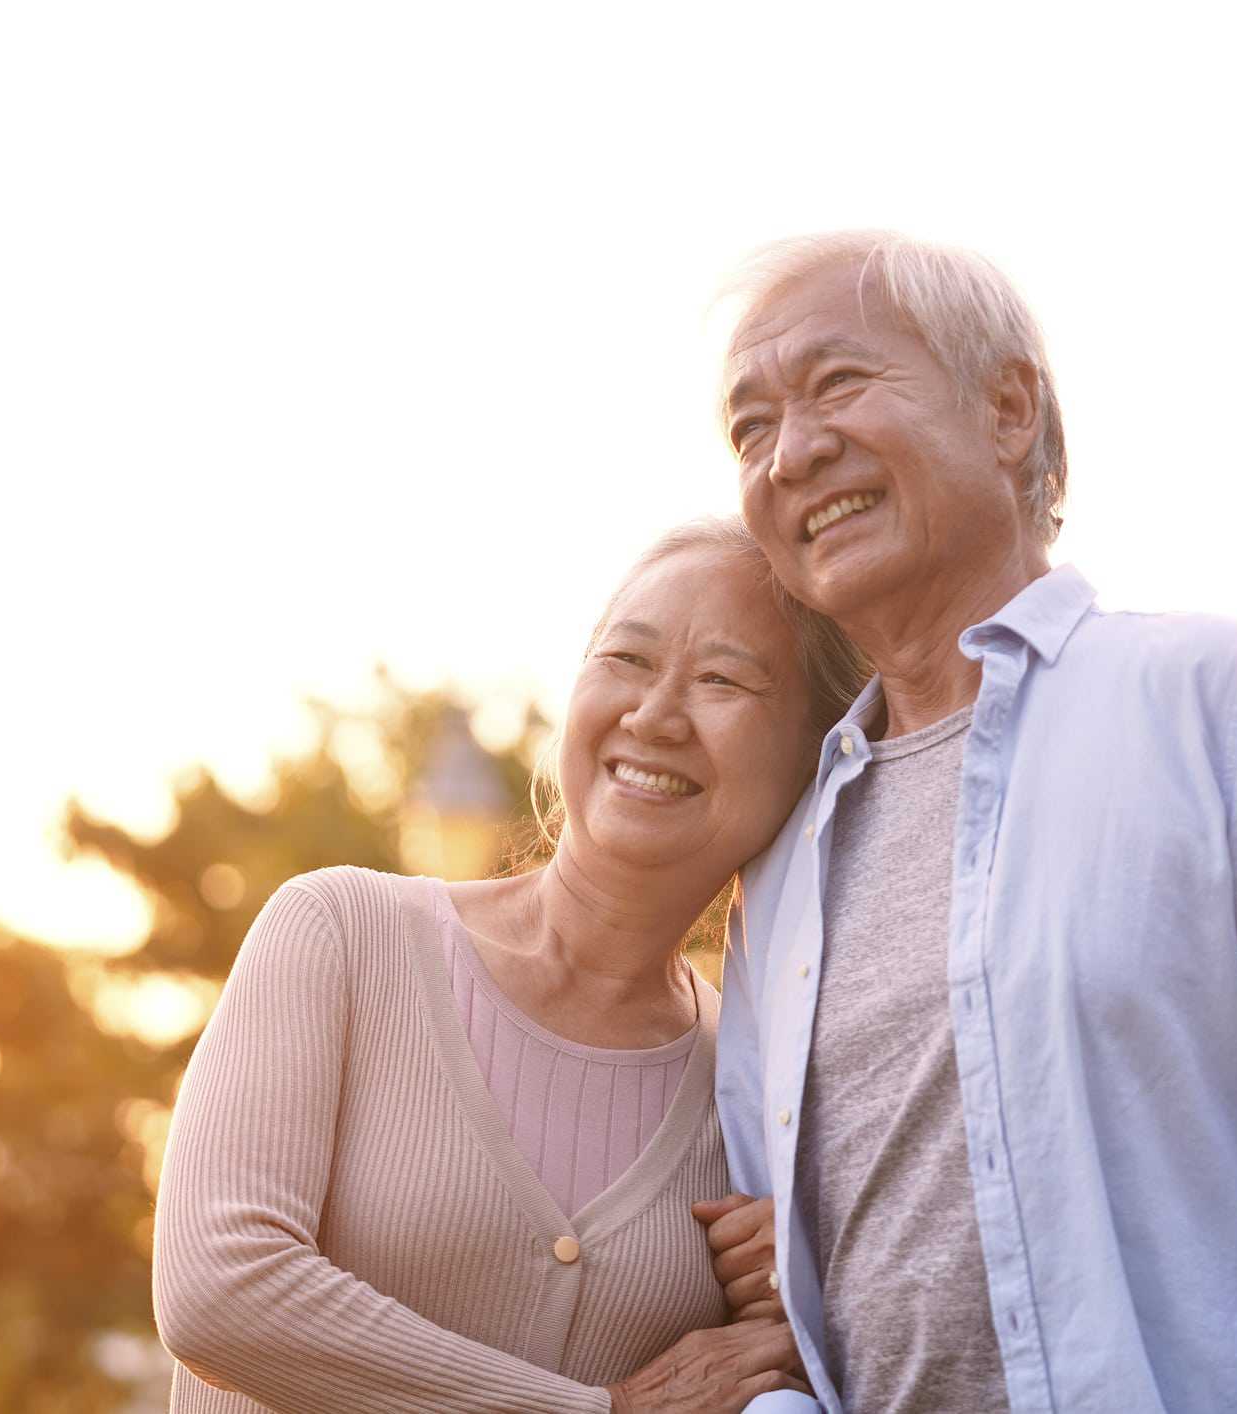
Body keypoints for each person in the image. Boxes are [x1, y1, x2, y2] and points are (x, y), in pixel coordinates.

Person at [706, 232, 1237, 1413]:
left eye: (839, 384)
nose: (791, 452)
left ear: (1008, 409)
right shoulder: (782, 861)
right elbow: (782, 1296)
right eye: (751, 428)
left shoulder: (1228, 696)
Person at [153, 518, 869, 1413]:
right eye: (626, 660)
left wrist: (806, 1307)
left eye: (721, 679)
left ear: (814, 757)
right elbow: (220, 1294)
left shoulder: (762, 1094)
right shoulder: (340, 933)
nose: (652, 715)